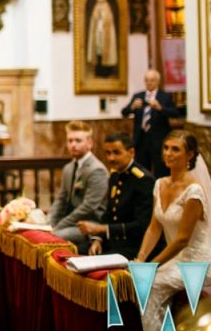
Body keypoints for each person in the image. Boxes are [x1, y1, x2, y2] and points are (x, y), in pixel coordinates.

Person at [134, 131, 211, 331]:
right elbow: (154, 227)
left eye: (175, 149)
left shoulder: (194, 191)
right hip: (178, 259)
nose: (168, 154)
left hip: (199, 262)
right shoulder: (160, 183)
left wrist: (152, 266)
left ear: (190, 155)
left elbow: (182, 239)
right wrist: (141, 258)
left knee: (149, 285)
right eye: (166, 148)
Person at [77, 132, 154, 260]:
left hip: (134, 245)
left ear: (131, 153)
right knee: (77, 252)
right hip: (113, 240)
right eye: (108, 153)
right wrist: (98, 240)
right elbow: (109, 214)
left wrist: (101, 228)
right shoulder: (115, 175)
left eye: (116, 153)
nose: (111, 158)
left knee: (94, 262)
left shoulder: (143, 180)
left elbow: (142, 225)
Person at [47, 120, 109, 253]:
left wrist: (58, 227)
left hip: (90, 225)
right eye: (70, 141)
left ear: (89, 143)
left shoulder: (97, 170)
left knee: (53, 237)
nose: (73, 145)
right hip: (71, 221)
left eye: (78, 140)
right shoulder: (69, 168)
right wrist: (49, 221)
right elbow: (61, 199)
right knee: (40, 232)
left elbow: (88, 207)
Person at [121, 69, 179, 176]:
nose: (149, 83)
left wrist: (160, 108)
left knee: (161, 170)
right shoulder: (138, 96)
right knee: (141, 171)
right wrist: (132, 107)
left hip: (159, 140)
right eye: (146, 80)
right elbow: (124, 112)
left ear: (157, 82)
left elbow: (175, 113)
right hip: (141, 139)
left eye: (152, 80)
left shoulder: (165, 96)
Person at [86, 0, 118, 77]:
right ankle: (98, 69)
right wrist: (96, 17)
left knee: (105, 51)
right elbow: (93, 20)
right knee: (98, 51)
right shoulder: (96, 6)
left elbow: (109, 21)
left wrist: (103, 19)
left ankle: (106, 71)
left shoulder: (107, 6)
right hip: (97, 33)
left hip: (105, 33)